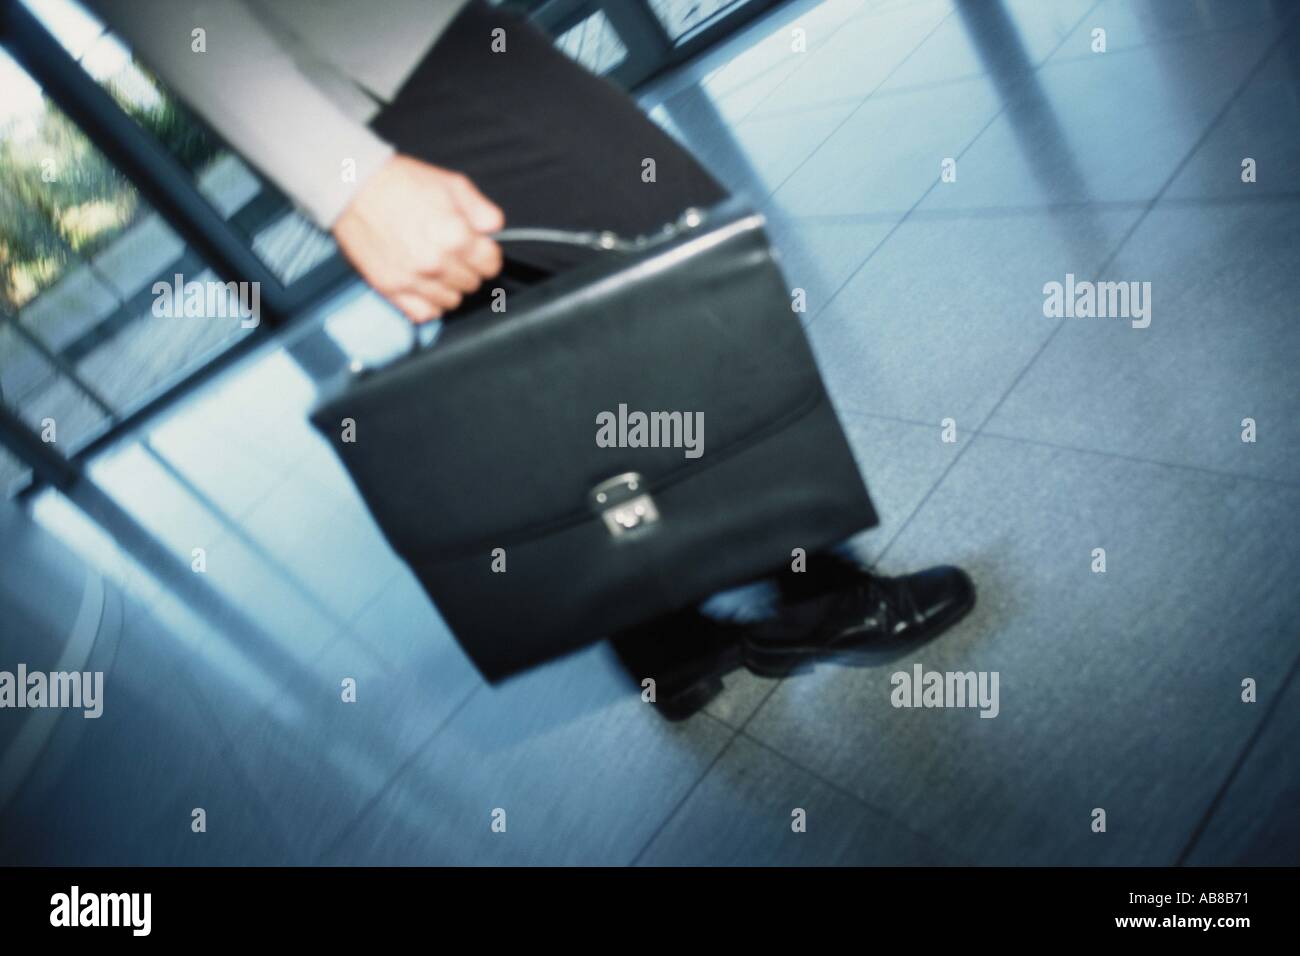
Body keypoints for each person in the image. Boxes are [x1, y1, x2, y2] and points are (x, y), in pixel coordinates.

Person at [86, 0, 975, 718]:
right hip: (386, 48)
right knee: (685, 275)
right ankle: (811, 592)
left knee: (538, 345)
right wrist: (344, 178)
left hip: (402, 47)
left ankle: (664, 644)